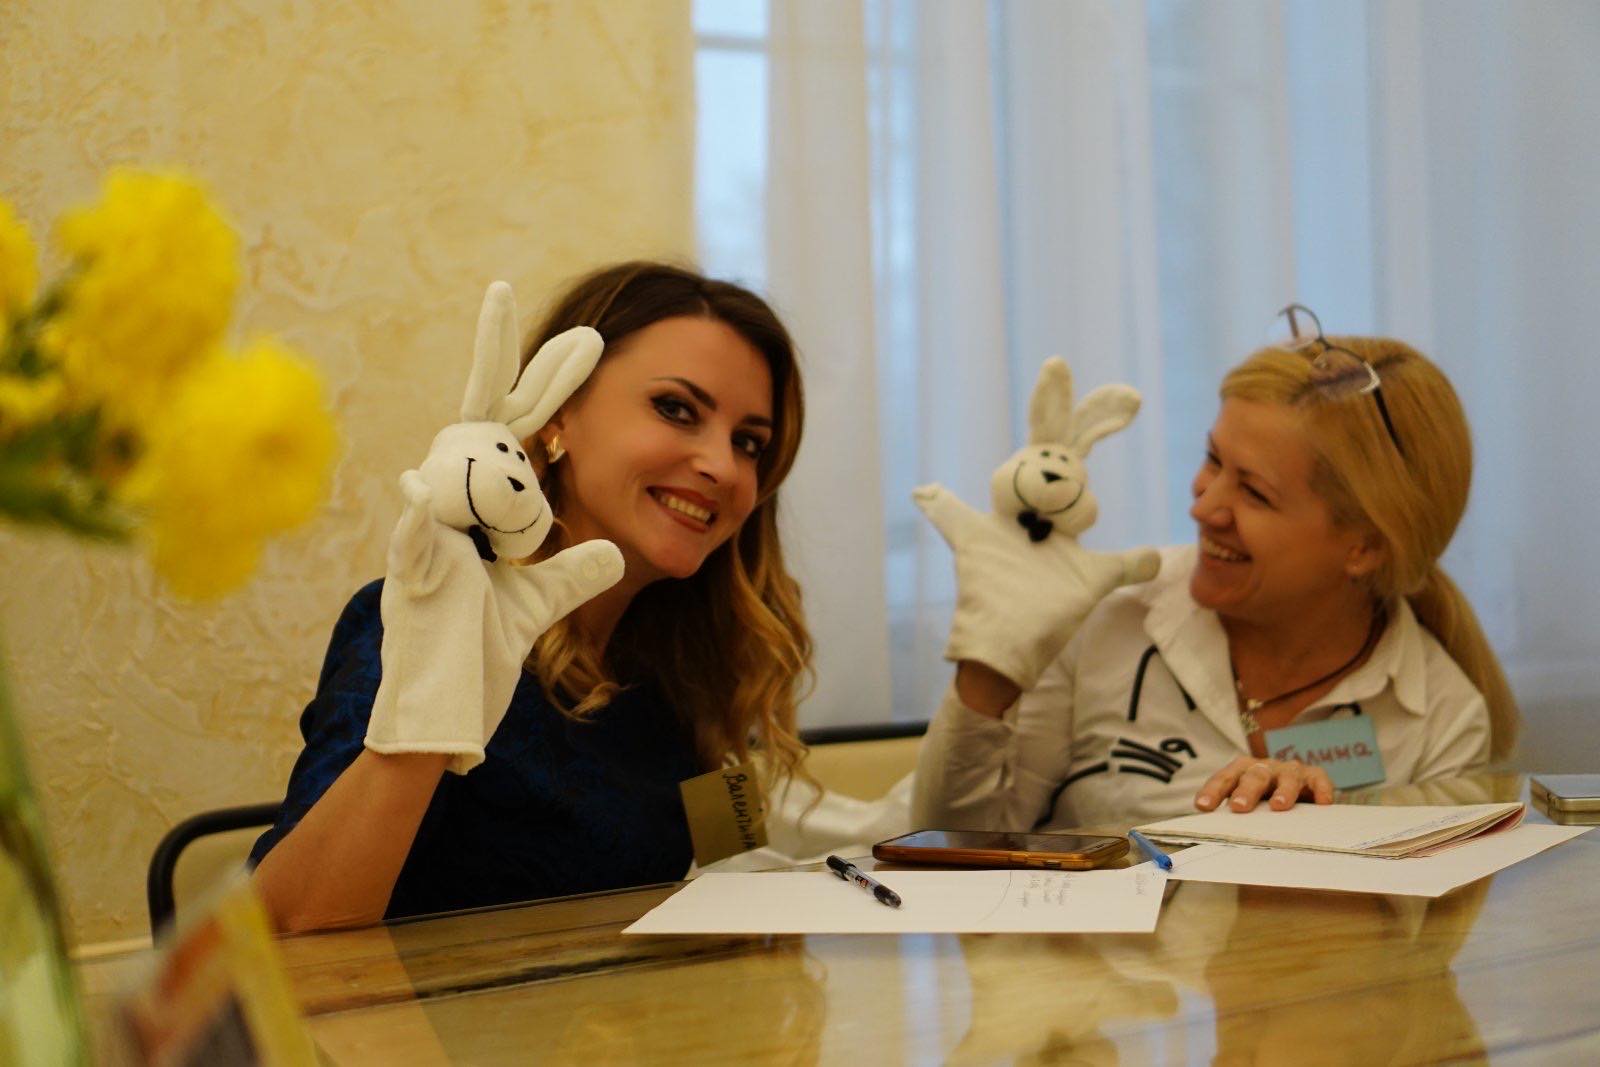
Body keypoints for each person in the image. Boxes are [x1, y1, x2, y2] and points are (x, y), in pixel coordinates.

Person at [251, 261, 812, 932]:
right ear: (557, 415)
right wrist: (436, 703)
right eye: (675, 409)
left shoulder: (677, 672)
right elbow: (284, 931)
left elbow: (728, 867)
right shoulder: (419, 620)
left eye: (749, 443)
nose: (723, 465)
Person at [913, 309, 1517, 833]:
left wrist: (1314, 836)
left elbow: (1423, 924)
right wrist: (989, 670)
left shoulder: (1442, 720)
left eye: (1253, 492)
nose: (1203, 508)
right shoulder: (1108, 615)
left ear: (1365, 546)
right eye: (1212, 460)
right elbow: (954, 847)